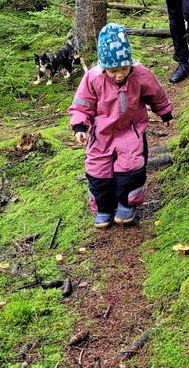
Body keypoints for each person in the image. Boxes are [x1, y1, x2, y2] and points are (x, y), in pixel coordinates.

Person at [69, 23, 173, 229]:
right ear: (103, 66)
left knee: (131, 168)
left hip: (130, 131)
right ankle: (104, 208)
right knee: (98, 171)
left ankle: (126, 204)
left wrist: (165, 113)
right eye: (113, 70)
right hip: (101, 133)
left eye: (124, 69)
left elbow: (156, 94)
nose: (119, 75)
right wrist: (79, 126)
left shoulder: (140, 74)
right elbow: (82, 104)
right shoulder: (92, 78)